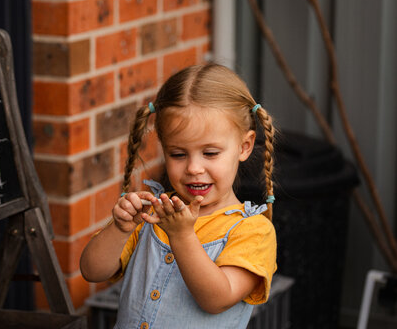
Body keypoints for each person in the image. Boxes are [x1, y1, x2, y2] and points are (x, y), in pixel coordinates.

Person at [80, 63, 277, 329]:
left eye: (210, 153)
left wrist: (182, 235)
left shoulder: (253, 231)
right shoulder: (152, 212)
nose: (194, 168)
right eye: (178, 154)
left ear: (244, 146)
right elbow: (92, 271)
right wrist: (120, 228)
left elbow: (216, 299)